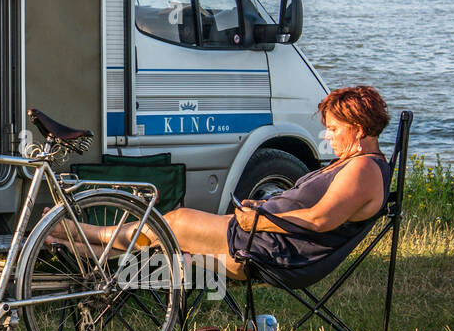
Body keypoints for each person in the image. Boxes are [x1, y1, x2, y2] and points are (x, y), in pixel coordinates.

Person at [48, 86, 392, 279]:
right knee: (166, 247)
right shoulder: (356, 163)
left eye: (334, 129)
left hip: (273, 248)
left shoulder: (364, 170)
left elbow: (321, 220)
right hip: (264, 234)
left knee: (174, 224)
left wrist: (262, 218)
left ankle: (80, 232)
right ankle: (79, 249)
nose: (328, 137)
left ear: (358, 129)